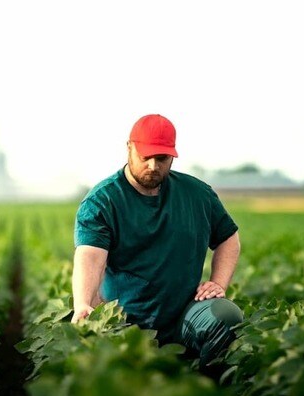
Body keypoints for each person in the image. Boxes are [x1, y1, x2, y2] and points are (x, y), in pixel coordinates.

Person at [72, 113, 244, 369]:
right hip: (125, 321)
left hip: (185, 314)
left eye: (162, 158)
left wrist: (218, 282)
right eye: (146, 157)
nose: (153, 166)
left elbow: (229, 238)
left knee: (226, 316)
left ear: (172, 156)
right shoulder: (103, 201)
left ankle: (206, 390)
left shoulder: (197, 194)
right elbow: (90, 255)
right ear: (129, 148)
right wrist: (83, 302)